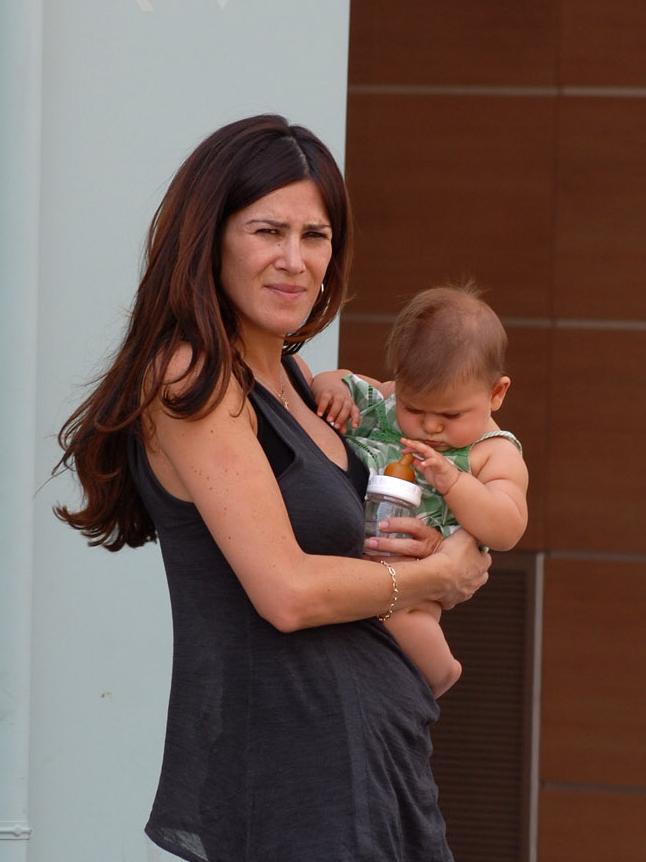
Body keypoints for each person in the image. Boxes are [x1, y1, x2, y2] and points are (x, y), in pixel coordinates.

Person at [54, 115, 490, 862]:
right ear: (210, 238)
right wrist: (433, 572)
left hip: (377, 766)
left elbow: (351, 562)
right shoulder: (193, 380)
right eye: (267, 231)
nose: (295, 260)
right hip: (299, 782)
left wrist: (408, 551)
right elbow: (286, 592)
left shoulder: (295, 380)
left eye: (315, 236)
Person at [311, 285, 529, 698]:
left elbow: (507, 526)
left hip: (415, 576)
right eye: (415, 409)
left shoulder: (490, 452)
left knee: (406, 622)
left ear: (496, 394)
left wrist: (455, 483)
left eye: (450, 415)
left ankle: (441, 672)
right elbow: (341, 377)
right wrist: (332, 390)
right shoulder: (392, 401)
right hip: (357, 556)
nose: (430, 427)